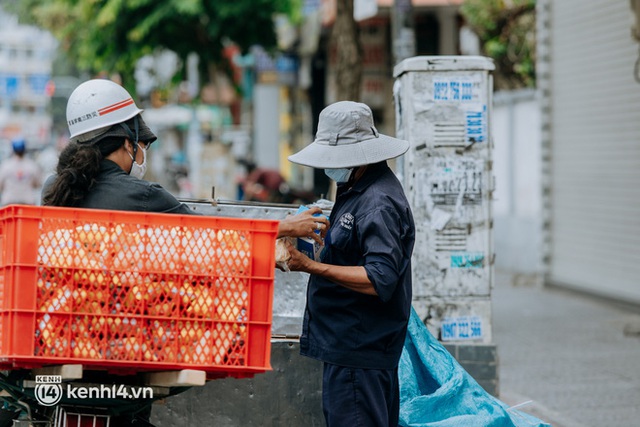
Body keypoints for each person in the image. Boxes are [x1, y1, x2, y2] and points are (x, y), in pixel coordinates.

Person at [38, 78, 328, 425]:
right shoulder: (143, 197)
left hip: (65, 338)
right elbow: (207, 237)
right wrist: (283, 228)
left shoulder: (54, 190)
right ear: (127, 142)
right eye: (139, 143)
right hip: (125, 344)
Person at [285, 101, 415, 426]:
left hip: (361, 355)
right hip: (349, 350)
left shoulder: (378, 202)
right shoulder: (357, 188)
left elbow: (378, 278)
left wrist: (309, 266)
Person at [0, 138, 42, 206]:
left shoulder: (5, 166)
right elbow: (38, 184)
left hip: (9, 204)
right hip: (27, 203)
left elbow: (1, 185)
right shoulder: (32, 165)